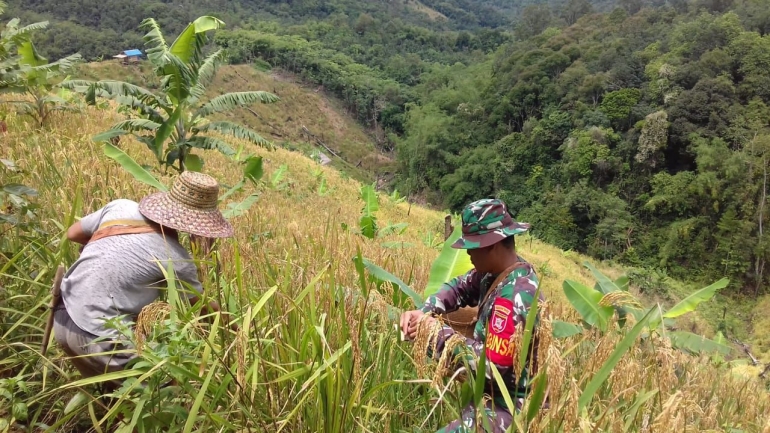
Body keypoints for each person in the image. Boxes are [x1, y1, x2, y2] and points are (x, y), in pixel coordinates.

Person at [53, 171, 234, 385]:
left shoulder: (120, 207)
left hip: (62, 316)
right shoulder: (177, 258)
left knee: (113, 395)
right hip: (99, 336)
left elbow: (73, 233)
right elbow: (201, 308)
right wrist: (235, 328)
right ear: (200, 226)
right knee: (164, 386)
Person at [400, 198, 542, 433]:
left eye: (473, 246)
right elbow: (460, 288)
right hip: (487, 397)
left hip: (509, 408)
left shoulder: (516, 297)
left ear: (493, 245)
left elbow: (492, 367)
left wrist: (437, 333)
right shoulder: (495, 273)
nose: (468, 252)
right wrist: (425, 311)